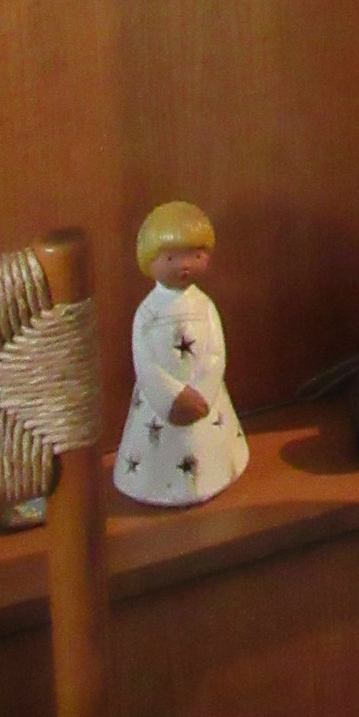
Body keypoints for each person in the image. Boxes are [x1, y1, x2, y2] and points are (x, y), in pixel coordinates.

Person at [114, 200, 249, 506]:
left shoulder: (204, 306)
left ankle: (214, 474)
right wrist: (172, 398)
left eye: (196, 255)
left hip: (204, 404)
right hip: (161, 411)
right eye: (171, 257)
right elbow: (145, 363)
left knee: (204, 449)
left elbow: (216, 353)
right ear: (150, 260)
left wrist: (202, 394)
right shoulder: (147, 313)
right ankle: (157, 484)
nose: (184, 265)